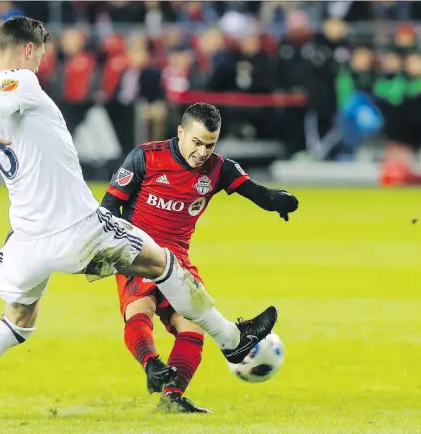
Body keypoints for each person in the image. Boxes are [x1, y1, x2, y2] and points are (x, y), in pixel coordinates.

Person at [0, 17, 279, 429]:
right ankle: (231, 341)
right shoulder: (22, 82)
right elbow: (3, 103)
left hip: (26, 242)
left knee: (17, 322)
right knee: (166, 264)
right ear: (28, 49)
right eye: (43, 52)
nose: (44, 60)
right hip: (78, 228)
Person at [101, 103, 299, 413]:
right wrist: (116, 249)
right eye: (196, 142)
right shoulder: (145, 157)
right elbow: (109, 207)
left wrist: (279, 201)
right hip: (137, 249)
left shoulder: (219, 168)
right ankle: (154, 363)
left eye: (210, 144)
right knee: (142, 307)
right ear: (180, 133)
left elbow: (257, 192)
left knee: (192, 327)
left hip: (178, 256)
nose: (202, 152)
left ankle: (172, 398)